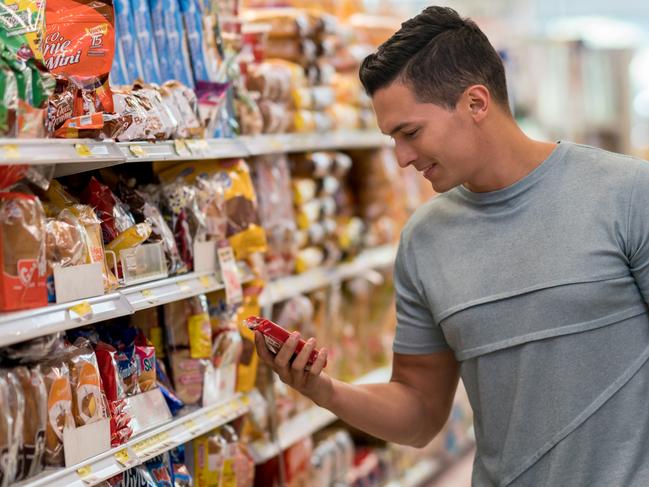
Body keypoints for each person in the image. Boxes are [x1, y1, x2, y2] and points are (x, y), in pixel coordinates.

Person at [254, 6, 649, 486]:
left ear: (476, 103)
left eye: (410, 133)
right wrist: (324, 390)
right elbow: (419, 411)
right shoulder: (425, 239)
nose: (401, 158)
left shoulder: (627, 194)